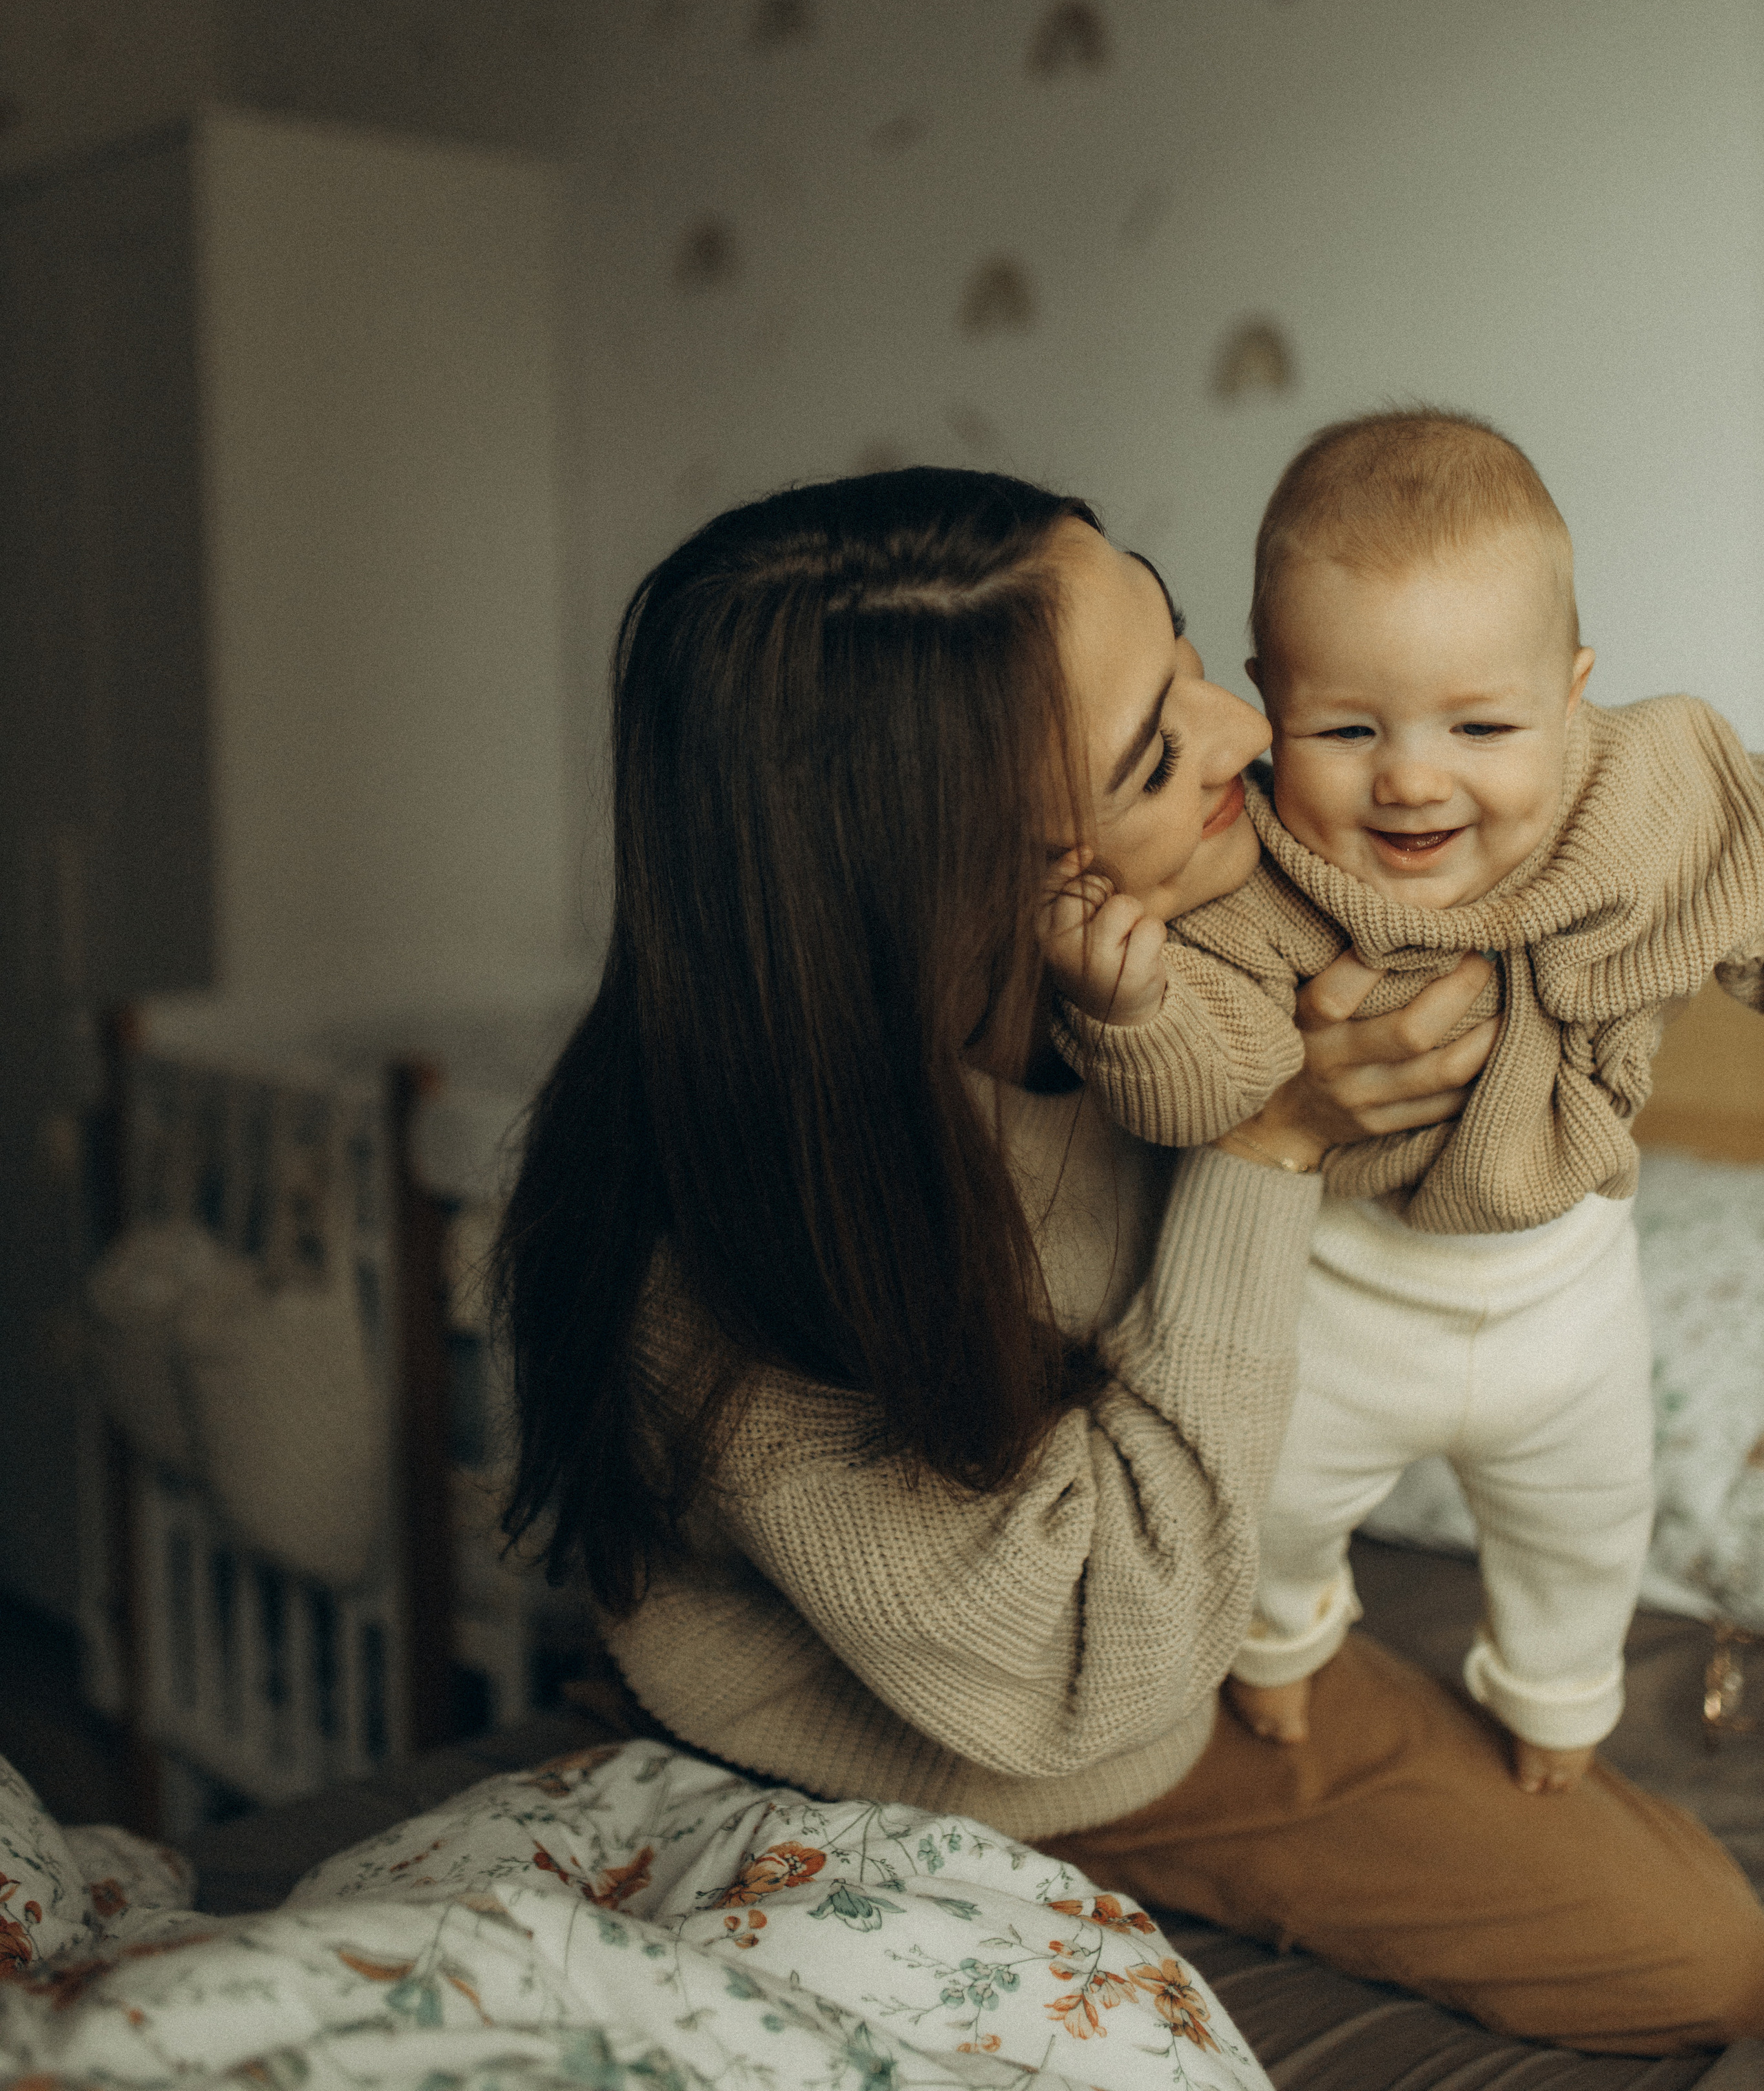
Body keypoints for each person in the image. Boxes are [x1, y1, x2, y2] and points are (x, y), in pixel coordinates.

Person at [493, 464, 1764, 2056]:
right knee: (1684, 1954)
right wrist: (1269, 1147)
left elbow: (1648, 860)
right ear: (954, 888)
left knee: (1706, 1954)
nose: (1252, 733)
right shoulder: (744, 1301)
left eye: (1182, 655)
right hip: (1044, 1697)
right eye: (1159, 752)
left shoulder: (1208, 935)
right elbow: (1089, 1688)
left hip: (1168, 1590)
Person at [1049, 410, 1764, 1800]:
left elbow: (1742, 872)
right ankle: (1278, 1648)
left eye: (1480, 725)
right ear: (1269, 696)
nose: (1412, 778)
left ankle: (1555, 1703)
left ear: (1572, 694)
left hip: (1563, 1294)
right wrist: (1126, 1008)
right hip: (1344, 1281)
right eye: (1345, 726)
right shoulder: (1247, 874)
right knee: (1270, 1509)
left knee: (1584, 1524)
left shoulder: (1648, 795)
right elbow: (1196, 1093)